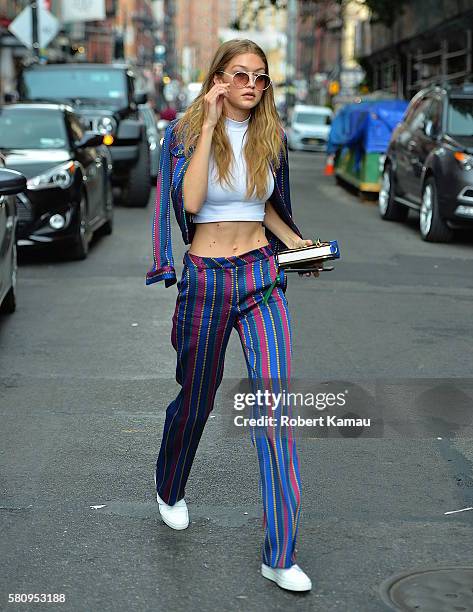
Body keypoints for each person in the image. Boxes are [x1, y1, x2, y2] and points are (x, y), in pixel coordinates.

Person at [146, 39, 322, 592]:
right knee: (197, 396)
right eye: (240, 75)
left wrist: (297, 244)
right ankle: (171, 484)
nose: (252, 85)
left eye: (260, 77)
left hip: (261, 277)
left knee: (274, 412)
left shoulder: (272, 136)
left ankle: (280, 553)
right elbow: (192, 202)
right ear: (218, 78)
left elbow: (262, 202)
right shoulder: (184, 136)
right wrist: (209, 124)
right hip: (205, 278)